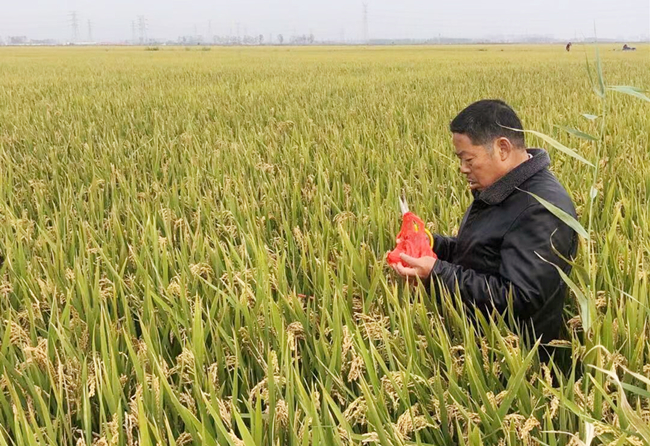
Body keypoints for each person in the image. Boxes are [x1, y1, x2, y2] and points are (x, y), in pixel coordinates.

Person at [392, 99, 578, 344]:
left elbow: (520, 298)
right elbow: (483, 254)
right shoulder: (503, 189)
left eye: (468, 160)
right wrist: (433, 244)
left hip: (514, 355)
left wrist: (436, 273)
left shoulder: (541, 208)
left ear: (503, 148)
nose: (462, 169)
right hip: (482, 343)